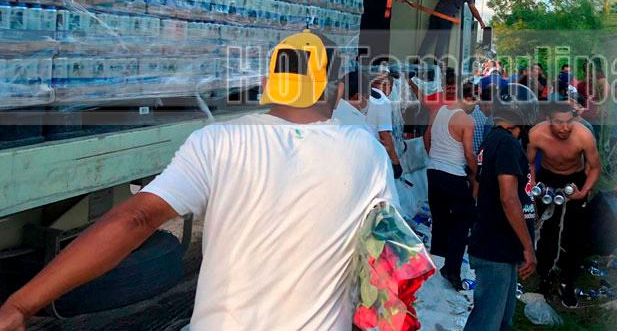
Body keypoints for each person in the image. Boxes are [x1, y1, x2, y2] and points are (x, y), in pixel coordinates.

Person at [0, 30, 399, 330]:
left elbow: (136, 219)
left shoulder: (218, 141)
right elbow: (389, 259)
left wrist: (21, 304)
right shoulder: (367, 153)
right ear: (338, 91)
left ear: (270, 83)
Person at [464, 90, 538, 331]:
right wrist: (528, 247)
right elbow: (509, 198)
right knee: (486, 322)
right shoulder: (506, 144)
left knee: (502, 320)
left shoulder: (493, 140)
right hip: (495, 248)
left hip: (500, 246)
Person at [526, 102, 601, 308]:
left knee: (574, 235)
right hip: (548, 179)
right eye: (559, 122)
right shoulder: (537, 133)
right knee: (547, 231)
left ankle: (568, 281)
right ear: (549, 120)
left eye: (569, 122)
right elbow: (529, 162)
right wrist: (532, 185)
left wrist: (583, 192)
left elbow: (595, 167)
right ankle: (545, 276)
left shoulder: (583, 135)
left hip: (574, 181)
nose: (565, 128)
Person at [424, 82, 479, 288]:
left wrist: (434, 157)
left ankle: (435, 263)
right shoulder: (466, 120)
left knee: (439, 219)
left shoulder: (439, 111)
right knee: (460, 223)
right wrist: (476, 172)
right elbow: (468, 153)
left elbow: (426, 136)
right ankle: (452, 270)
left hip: (434, 171)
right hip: (454, 174)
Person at [417, 0, 485, 63]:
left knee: (428, 39)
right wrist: (480, 21)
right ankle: (437, 65)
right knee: (441, 42)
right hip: (447, 19)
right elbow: (473, 9)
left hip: (436, 15)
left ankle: (417, 62)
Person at [368, 72, 404, 179]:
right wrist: (395, 162)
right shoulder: (382, 101)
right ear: (390, 87)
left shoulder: (363, 96)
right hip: (373, 152)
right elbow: (384, 134)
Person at [332, 70, 375, 137]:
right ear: (357, 97)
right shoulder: (361, 125)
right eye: (367, 97)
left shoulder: (329, 115)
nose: (368, 101)